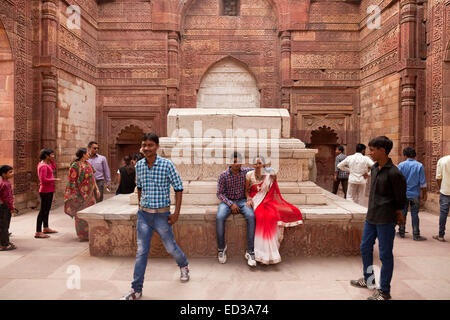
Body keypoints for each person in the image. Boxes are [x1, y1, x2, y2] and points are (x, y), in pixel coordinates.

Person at [121, 133, 189, 300]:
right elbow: (140, 188)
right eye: (144, 145)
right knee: (141, 252)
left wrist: (176, 214)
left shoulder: (167, 165)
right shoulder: (139, 166)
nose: (146, 148)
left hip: (161, 215)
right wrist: (139, 207)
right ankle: (136, 289)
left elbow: (178, 188)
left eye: (150, 145)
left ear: (157, 146)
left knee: (170, 247)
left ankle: (184, 265)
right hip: (144, 215)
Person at [350, 136, 406, 300]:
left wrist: (399, 214)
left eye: (373, 150)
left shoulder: (395, 173)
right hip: (372, 216)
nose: (370, 153)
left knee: (385, 255)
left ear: (383, 150)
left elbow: (400, 198)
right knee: (365, 247)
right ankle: (369, 280)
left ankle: (385, 291)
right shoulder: (374, 168)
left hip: (386, 219)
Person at [245, 156, 303, 264]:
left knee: (272, 216)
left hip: (267, 200)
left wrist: (273, 175)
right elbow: (246, 191)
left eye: (259, 163)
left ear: (263, 164)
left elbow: (274, 185)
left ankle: (270, 254)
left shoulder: (269, 174)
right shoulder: (249, 175)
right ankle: (258, 253)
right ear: (253, 165)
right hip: (256, 200)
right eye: (255, 164)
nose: (257, 165)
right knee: (261, 216)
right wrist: (248, 199)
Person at [216, 152, 256, 267]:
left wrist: (270, 172)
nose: (237, 164)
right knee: (219, 217)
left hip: (242, 201)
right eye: (234, 161)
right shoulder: (223, 175)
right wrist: (230, 204)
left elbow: (259, 169)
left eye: (238, 161)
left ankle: (250, 251)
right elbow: (220, 194)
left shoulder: (246, 172)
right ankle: (221, 248)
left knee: (251, 216)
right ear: (230, 162)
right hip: (227, 202)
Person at [64, 148, 100, 241]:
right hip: (80, 195)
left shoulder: (88, 164)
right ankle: (81, 234)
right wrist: (74, 195)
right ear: (83, 154)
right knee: (80, 215)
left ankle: (89, 233)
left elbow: (92, 178)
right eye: (87, 153)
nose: (89, 154)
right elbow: (72, 181)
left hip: (90, 194)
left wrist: (96, 189)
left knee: (90, 213)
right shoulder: (75, 165)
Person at [397, 147, 427, 241]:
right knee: (415, 214)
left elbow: (397, 180)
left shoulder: (401, 165)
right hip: (415, 194)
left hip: (403, 194)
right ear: (415, 155)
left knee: (403, 212)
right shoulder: (419, 166)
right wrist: (424, 194)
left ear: (405, 155)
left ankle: (401, 232)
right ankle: (416, 234)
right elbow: (423, 183)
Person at [35, 149, 60, 239]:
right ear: (46, 155)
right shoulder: (43, 166)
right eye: (52, 155)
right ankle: (38, 231)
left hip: (49, 190)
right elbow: (43, 180)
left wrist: (52, 160)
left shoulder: (45, 164)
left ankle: (45, 227)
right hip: (45, 190)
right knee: (43, 211)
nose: (53, 156)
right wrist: (55, 179)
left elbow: (53, 167)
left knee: (47, 210)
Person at [433, 154, 450, 242]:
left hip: (445, 191)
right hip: (445, 190)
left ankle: (441, 235)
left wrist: (441, 188)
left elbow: (438, 177)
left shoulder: (443, 160)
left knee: (443, 213)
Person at [0, 165, 16, 251]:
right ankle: (4, 244)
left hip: (3, 206)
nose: (12, 174)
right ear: (3, 174)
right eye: (10, 172)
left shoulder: (3, 182)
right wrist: (11, 207)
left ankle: (4, 242)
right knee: (4, 226)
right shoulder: (5, 184)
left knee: (3, 225)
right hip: (4, 207)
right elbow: (7, 198)